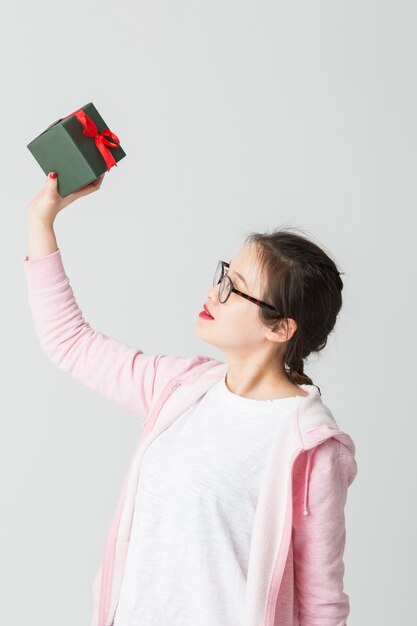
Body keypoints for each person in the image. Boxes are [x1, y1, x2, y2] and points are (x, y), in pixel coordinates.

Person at [23, 172, 358, 626]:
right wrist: (42, 218)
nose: (212, 293)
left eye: (233, 287)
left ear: (280, 328)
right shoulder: (181, 389)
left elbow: (321, 603)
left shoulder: (311, 446)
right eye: (223, 274)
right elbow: (70, 342)